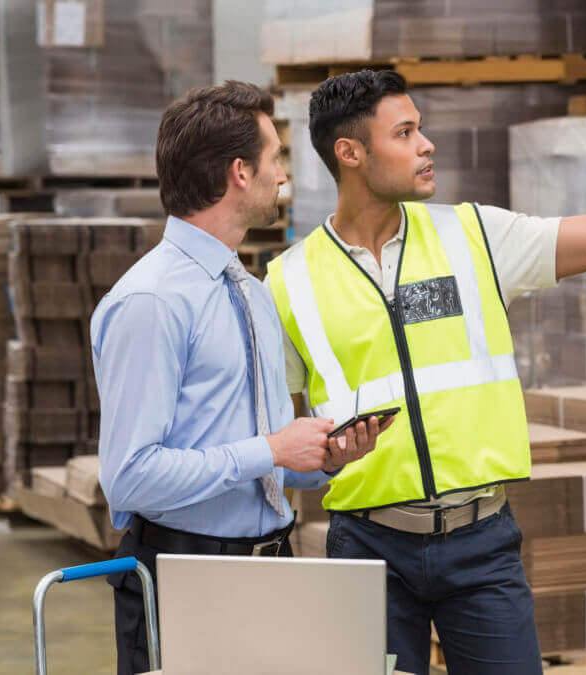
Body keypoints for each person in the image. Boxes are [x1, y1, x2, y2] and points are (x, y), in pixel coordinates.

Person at [264, 69, 586, 674]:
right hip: (365, 549)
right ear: (350, 153)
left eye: (422, 128)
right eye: (405, 132)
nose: (426, 144)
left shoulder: (473, 236)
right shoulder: (289, 281)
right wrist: (323, 461)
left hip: (481, 544)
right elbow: (277, 441)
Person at [91, 81, 391, 675]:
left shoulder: (251, 295)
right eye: (275, 158)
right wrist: (270, 448)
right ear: (239, 173)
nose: (284, 176)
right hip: (184, 578)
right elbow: (128, 479)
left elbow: (261, 460)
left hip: (270, 567)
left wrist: (320, 458)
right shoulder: (151, 302)